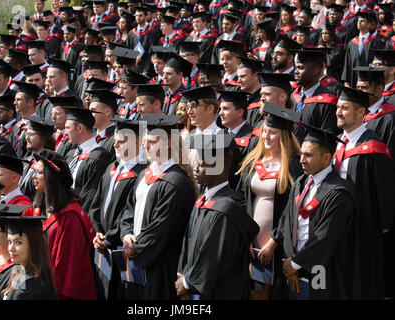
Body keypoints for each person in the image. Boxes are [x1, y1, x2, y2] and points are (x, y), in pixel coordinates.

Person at [265, 122, 360, 299]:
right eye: (301, 154)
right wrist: (284, 255)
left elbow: (326, 237)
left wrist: (295, 264)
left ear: (326, 158)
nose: (301, 160)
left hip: (321, 269)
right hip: (293, 267)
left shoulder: (339, 193)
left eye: (308, 155)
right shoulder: (301, 183)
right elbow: (287, 219)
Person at [120, 114, 196, 299]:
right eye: (146, 140)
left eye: (152, 141)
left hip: (161, 265)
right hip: (138, 260)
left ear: (168, 143)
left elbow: (162, 228)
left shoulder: (176, 182)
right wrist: (126, 234)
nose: (145, 145)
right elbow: (129, 209)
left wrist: (135, 248)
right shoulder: (144, 175)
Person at [176, 133, 260, 300]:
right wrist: (183, 276)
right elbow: (187, 243)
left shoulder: (226, 209)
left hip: (221, 290)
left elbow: (213, 255)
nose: (196, 168)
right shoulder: (203, 200)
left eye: (202, 164)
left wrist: (187, 283)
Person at [333, 85, 395, 299]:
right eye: (338, 107)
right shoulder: (334, 145)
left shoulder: (374, 148)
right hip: (335, 229)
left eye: (345, 108)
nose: (338, 112)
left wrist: (382, 227)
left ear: (361, 112)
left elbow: (385, 193)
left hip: (363, 232)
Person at [236, 102, 303, 300]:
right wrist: (246, 236)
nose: (266, 136)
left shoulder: (294, 167)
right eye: (264, 131)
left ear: (283, 136)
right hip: (252, 244)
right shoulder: (252, 161)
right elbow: (240, 200)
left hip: (280, 245)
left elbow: (291, 211)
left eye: (272, 132)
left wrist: (273, 242)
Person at [90, 117, 147, 300]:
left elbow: (128, 213)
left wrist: (109, 237)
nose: (115, 145)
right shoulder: (110, 169)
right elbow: (95, 206)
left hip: (122, 250)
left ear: (137, 142)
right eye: (115, 140)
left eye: (121, 141)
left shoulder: (142, 173)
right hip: (102, 249)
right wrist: (98, 233)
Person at [27, 149, 96, 300]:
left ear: (51, 177)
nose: (34, 176)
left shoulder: (70, 218)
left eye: (39, 172)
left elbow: (68, 269)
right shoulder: (40, 207)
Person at [62, 106, 111, 213]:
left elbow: (90, 195)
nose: (65, 133)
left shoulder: (98, 157)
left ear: (80, 128)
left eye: (68, 128)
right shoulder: (71, 155)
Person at [0, 215, 57, 300]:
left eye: (18, 242)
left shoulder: (30, 287)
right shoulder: (21, 269)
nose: (11, 248)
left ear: (34, 245)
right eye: (9, 241)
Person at [292, 49, 340, 144]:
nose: (296, 72)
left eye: (300, 68)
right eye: (296, 68)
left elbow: (327, 137)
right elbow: (291, 120)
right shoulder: (293, 97)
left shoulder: (327, 102)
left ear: (315, 71)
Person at [355, 66, 395, 157]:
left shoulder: (390, 118)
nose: (359, 92)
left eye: (364, 88)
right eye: (358, 87)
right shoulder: (356, 113)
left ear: (379, 89)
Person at [341, 11, 384, 88]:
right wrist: (346, 82)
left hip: (369, 82)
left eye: (362, 21)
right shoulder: (352, 43)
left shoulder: (376, 42)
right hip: (353, 81)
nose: (359, 23)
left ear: (370, 24)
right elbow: (347, 63)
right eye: (358, 21)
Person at [237, 58, 264, 128]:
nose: (238, 81)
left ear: (255, 76)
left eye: (242, 76)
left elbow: (291, 116)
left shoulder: (265, 100)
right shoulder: (238, 98)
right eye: (238, 77)